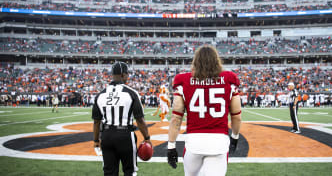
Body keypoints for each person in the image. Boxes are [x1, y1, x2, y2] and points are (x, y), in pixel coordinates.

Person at [167, 45, 242, 176]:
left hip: (194, 143)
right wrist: (235, 137)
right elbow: (236, 116)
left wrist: (171, 146)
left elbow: (176, 118)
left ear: (196, 61)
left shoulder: (183, 80)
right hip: (218, 143)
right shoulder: (229, 79)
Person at [92, 62, 152, 176]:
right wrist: (147, 138)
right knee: (130, 171)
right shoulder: (131, 93)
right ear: (123, 75)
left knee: (109, 172)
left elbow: (96, 121)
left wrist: (96, 140)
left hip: (107, 135)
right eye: (127, 75)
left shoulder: (100, 94)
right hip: (125, 135)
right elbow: (139, 120)